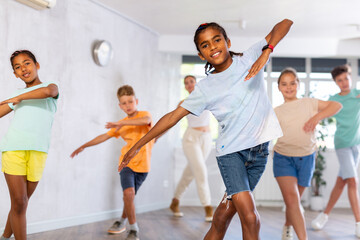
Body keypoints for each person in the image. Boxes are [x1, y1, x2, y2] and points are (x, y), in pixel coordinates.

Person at [119, 19, 293, 240]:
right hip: (231, 154)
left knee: (224, 214)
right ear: (201, 55)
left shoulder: (249, 58)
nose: (213, 46)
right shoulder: (205, 88)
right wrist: (137, 145)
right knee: (250, 217)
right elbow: (173, 117)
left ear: (228, 41)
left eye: (217, 40)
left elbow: (285, 23)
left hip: (259, 152)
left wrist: (266, 52)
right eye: (205, 45)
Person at [70, 85, 153, 240]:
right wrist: (84, 146)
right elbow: (103, 136)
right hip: (126, 164)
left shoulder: (143, 115)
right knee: (128, 193)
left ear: (136, 101)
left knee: (130, 199)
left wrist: (121, 124)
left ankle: (121, 221)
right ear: (120, 106)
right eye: (124, 103)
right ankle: (133, 229)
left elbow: (146, 120)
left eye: (130, 101)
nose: (128, 105)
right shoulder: (120, 123)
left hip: (144, 166)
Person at [273, 68, 342, 240]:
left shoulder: (309, 103)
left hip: (307, 158)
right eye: (284, 84)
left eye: (292, 83)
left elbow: (336, 105)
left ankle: (288, 225)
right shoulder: (276, 111)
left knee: (293, 201)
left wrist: (316, 118)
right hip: (283, 158)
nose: (289, 87)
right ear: (279, 87)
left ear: (298, 84)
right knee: (293, 200)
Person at [0, 50, 59, 240]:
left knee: (21, 204)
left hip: (38, 151)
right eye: (17, 67)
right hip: (13, 149)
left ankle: (4, 236)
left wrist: (20, 98)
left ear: (36, 65)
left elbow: (49, 92)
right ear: (15, 74)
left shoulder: (50, 87)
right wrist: (14, 99)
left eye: (26, 63)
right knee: (19, 201)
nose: (23, 68)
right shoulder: (15, 95)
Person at [311, 65, 360, 238]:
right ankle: (358, 223)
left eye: (346, 78)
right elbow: (317, 113)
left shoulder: (357, 95)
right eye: (340, 80)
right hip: (342, 144)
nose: (344, 82)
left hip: (356, 146)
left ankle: (324, 216)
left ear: (350, 78)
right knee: (353, 182)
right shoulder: (333, 100)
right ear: (335, 82)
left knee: (342, 182)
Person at [169, 75, 213, 221]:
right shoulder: (184, 103)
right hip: (190, 139)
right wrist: (157, 135)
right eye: (186, 83)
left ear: (196, 83)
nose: (189, 84)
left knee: (190, 173)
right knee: (200, 171)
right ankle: (208, 207)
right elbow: (171, 120)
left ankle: (175, 201)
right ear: (185, 86)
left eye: (191, 82)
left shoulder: (206, 98)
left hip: (206, 139)